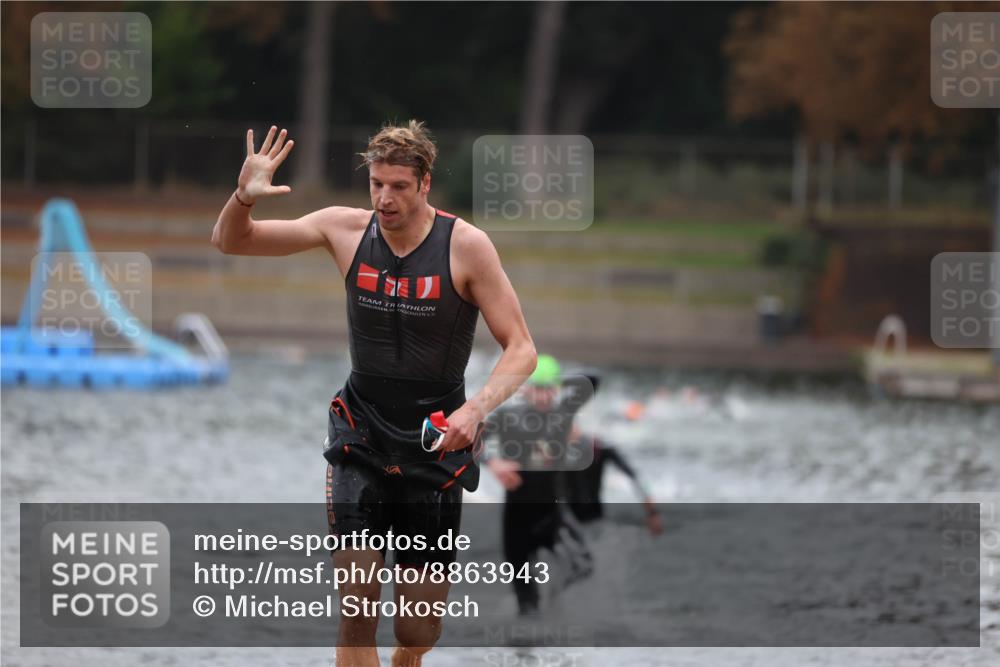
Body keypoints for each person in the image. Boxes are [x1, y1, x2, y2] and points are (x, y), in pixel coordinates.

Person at [212, 120, 537, 667]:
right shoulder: (343, 229)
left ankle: (409, 657)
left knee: (416, 628)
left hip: (435, 445)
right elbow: (231, 241)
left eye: (399, 187)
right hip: (360, 434)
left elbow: (522, 349)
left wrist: (474, 411)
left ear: (425, 183)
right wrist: (243, 196)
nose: (385, 198)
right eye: (377, 184)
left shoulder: (466, 246)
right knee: (357, 604)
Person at [484, 354, 594, 615]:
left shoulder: (563, 414)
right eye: (537, 388)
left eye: (549, 389)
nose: (544, 396)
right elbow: (470, 441)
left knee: (583, 565)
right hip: (517, 518)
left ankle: (555, 600)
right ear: (525, 389)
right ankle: (530, 627)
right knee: (526, 604)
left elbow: (593, 379)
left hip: (554, 514)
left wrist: (557, 380)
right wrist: (493, 462)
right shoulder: (508, 416)